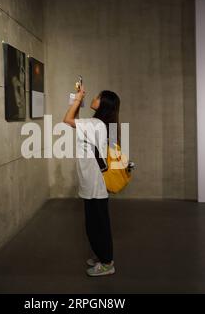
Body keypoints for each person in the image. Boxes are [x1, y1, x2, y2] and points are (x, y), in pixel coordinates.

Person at [63, 85, 121, 277]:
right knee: (96, 222)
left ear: (102, 103)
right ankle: (102, 255)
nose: (94, 98)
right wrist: (78, 100)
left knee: (97, 224)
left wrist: (78, 98)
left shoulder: (96, 125)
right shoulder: (100, 124)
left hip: (95, 182)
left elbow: (68, 120)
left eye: (97, 97)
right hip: (95, 181)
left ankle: (107, 263)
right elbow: (77, 122)